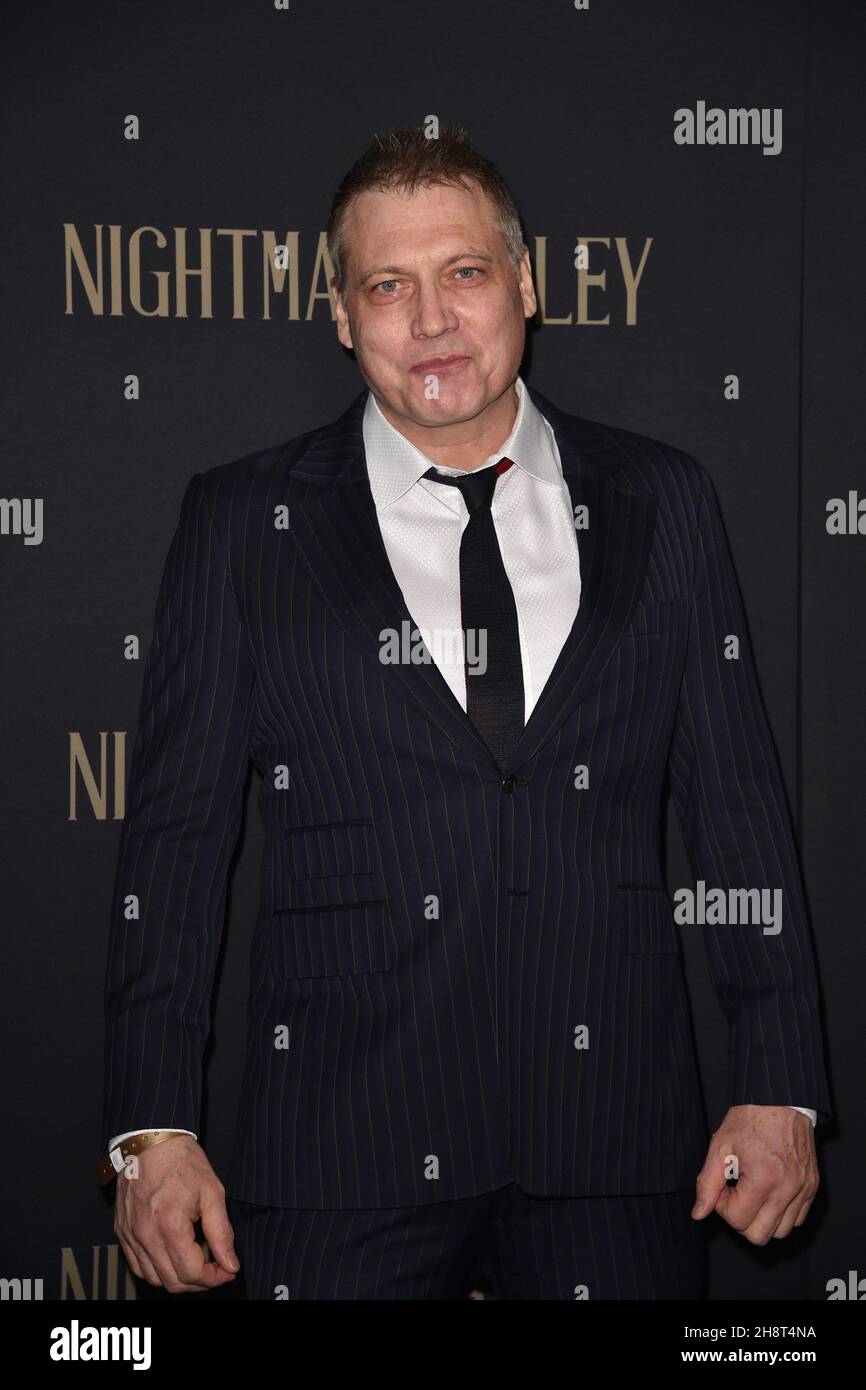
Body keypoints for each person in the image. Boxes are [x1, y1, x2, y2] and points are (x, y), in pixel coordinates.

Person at [100, 126, 830, 1300]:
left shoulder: (662, 499)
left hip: (615, 1152)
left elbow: (739, 810)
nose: (428, 318)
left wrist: (778, 1079)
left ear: (527, 286)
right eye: (387, 285)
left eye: (464, 273)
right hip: (341, 1149)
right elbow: (175, 843)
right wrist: (149, 1127)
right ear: (343, 318)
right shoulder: (242, 523)